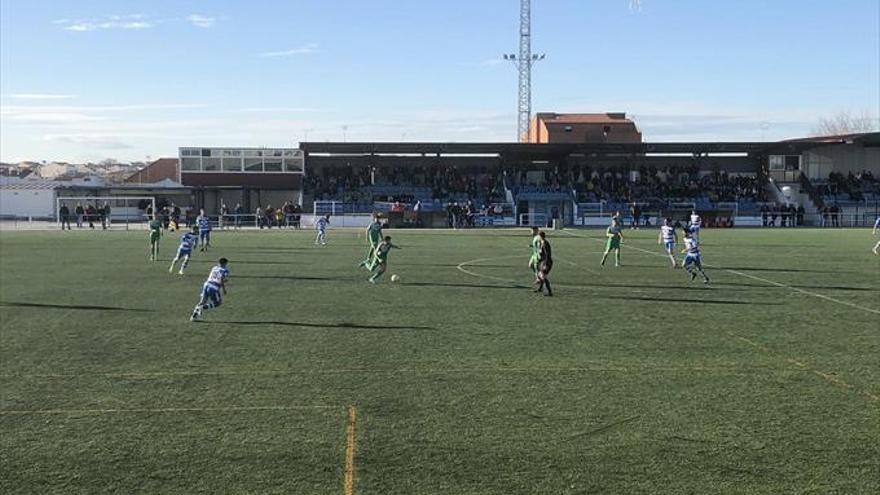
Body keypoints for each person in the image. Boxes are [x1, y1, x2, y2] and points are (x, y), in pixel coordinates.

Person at [533, 231, 553, 297]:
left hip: (546, 262)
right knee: (539, 274)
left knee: (543, 276)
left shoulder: (544, 243)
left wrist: (545, 264)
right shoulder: (542, 242)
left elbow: (547, 254)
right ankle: (540, 288)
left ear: (540, 236)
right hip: (543, 261)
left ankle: (550, 292)